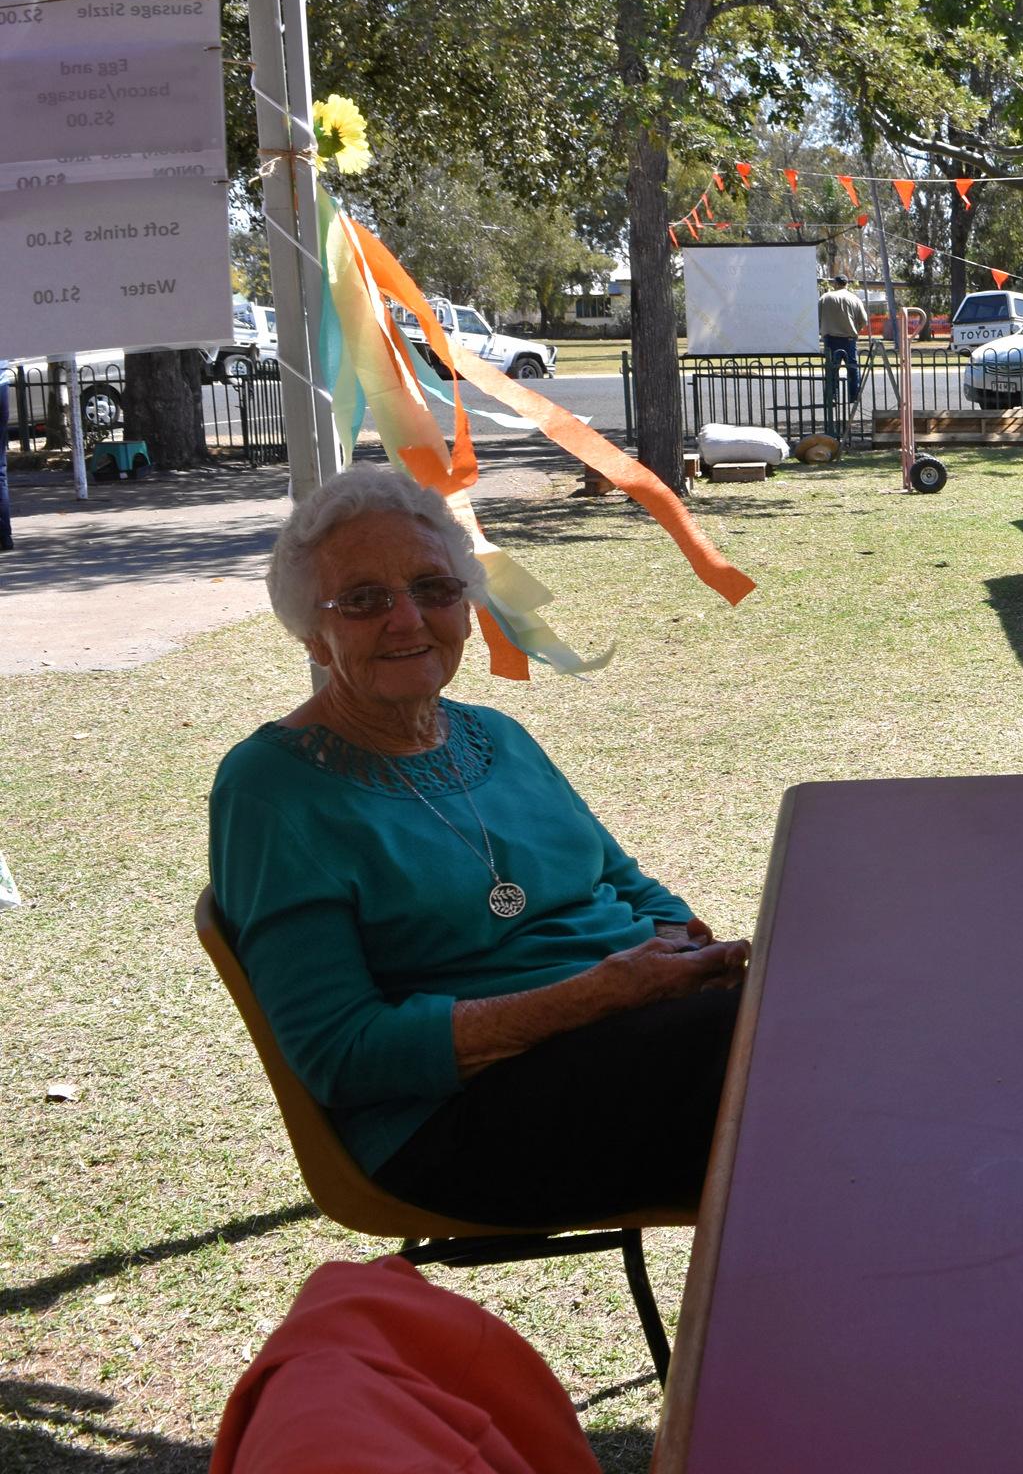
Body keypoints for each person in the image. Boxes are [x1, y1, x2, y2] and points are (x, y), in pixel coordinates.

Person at [209, 467, 749, 1228]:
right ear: (312, 635)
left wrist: (685, 957)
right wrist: (595, 996)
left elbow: (630, 886)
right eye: (364, 600)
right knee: (780, 1077)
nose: (407, 619)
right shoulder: (271, 792)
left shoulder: (495, 735)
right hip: (457, 1120)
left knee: (821, 1024)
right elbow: (340, 1053)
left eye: (434, 588)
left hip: (644, 1045)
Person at [818, 274, 869, 411]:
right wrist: (855, 329)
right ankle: (854, 396)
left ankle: (832, 396)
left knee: (832, 369)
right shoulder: (855, 299)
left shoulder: (825, 298)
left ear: (835, 283)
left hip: (830, 338)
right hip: (849, 339)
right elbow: (864, 320)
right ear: (847, 284)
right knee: (852, 368)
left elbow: (818, 317)